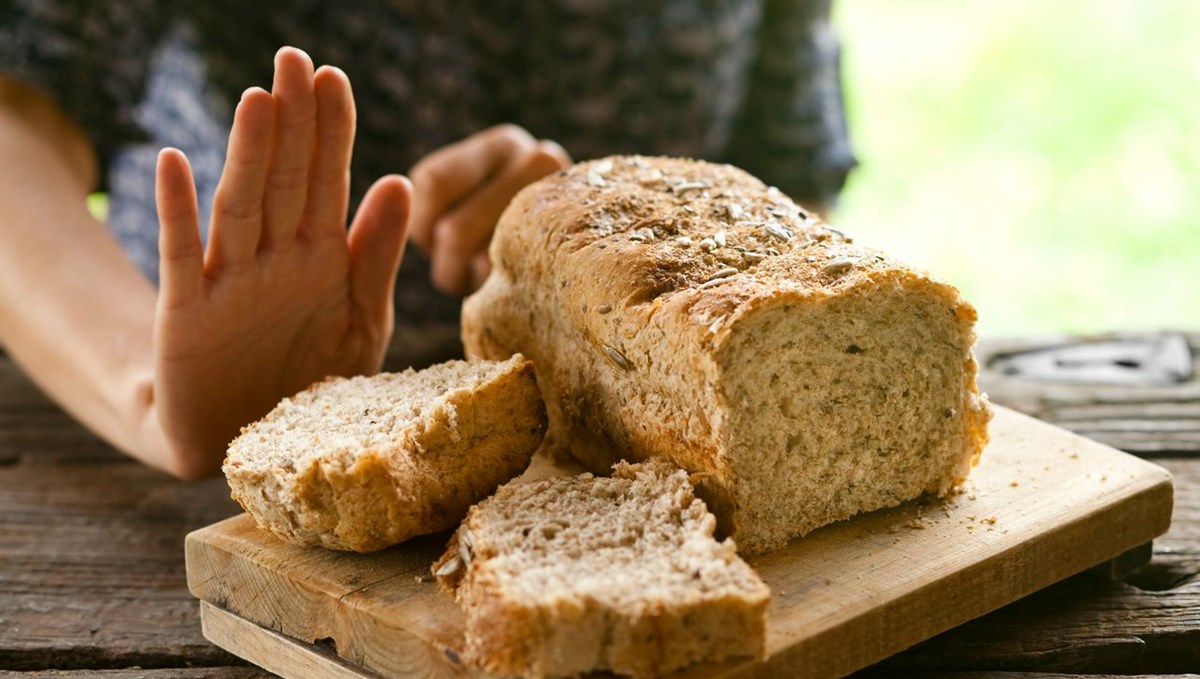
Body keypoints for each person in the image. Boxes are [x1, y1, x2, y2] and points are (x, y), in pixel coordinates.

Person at [0, 1, 855, 480]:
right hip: (172, 444)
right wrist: (146, 389)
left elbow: (787, 180)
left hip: (611, 463)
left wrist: (592, 224)